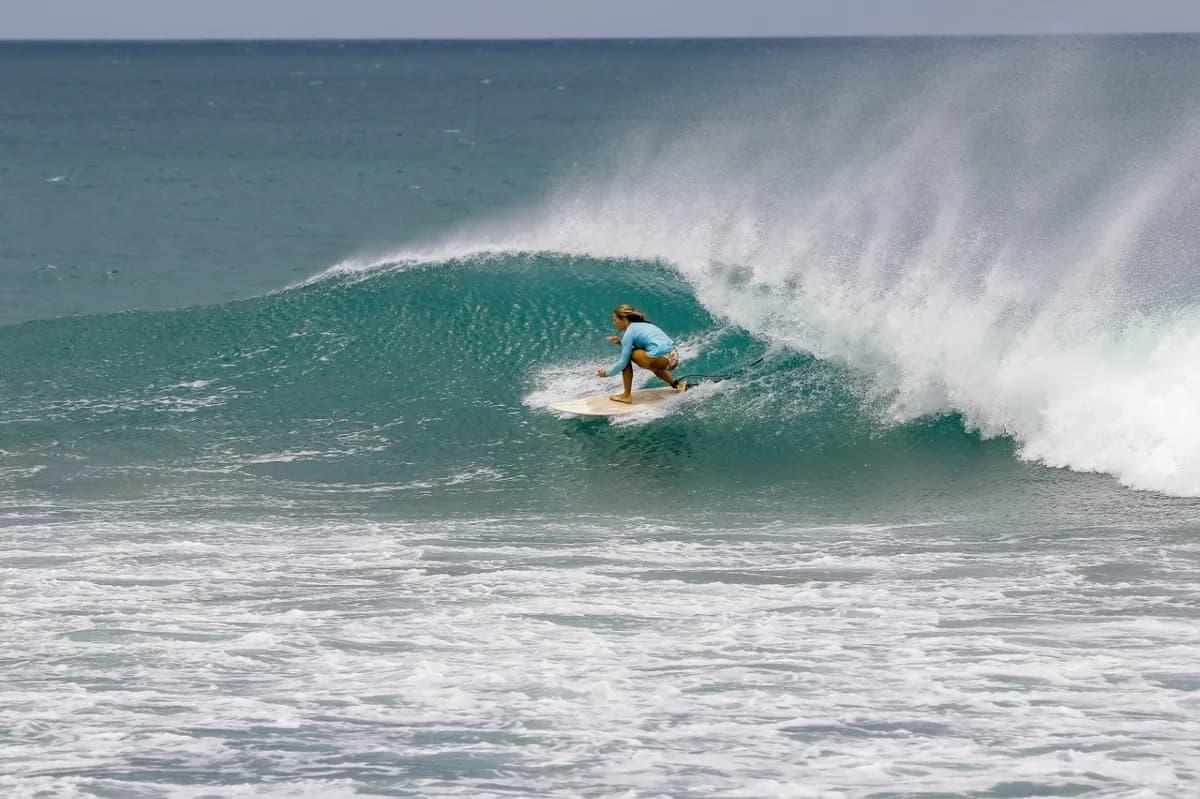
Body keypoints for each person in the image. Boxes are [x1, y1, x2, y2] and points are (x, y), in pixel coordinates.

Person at [596, 304, 687, 403]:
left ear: (623, 319)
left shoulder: (630, 331)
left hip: (663, 359)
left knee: (628, 357)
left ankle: (626, 395)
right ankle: (677, 385)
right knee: (651, 361)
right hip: (673, 356)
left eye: (615, 320)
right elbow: (643, 348)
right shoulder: (643, 325)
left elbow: (623, 362)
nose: (614, 323)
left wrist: (607, 373)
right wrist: (621, 343)